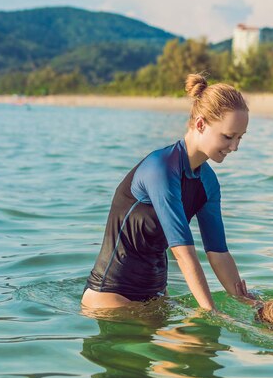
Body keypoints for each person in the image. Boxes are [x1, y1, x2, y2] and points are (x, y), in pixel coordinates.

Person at [82, 74, 252, 310]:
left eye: (240, 138)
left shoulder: (208, 182)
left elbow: (218, 252)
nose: (235, 147)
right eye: (228, 136)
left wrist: (246, 301)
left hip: (156, 298)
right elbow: (182, 252)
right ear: (201, 124)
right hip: (112, 299)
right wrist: (211, 312)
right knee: (201, 342)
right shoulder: (160, 168)